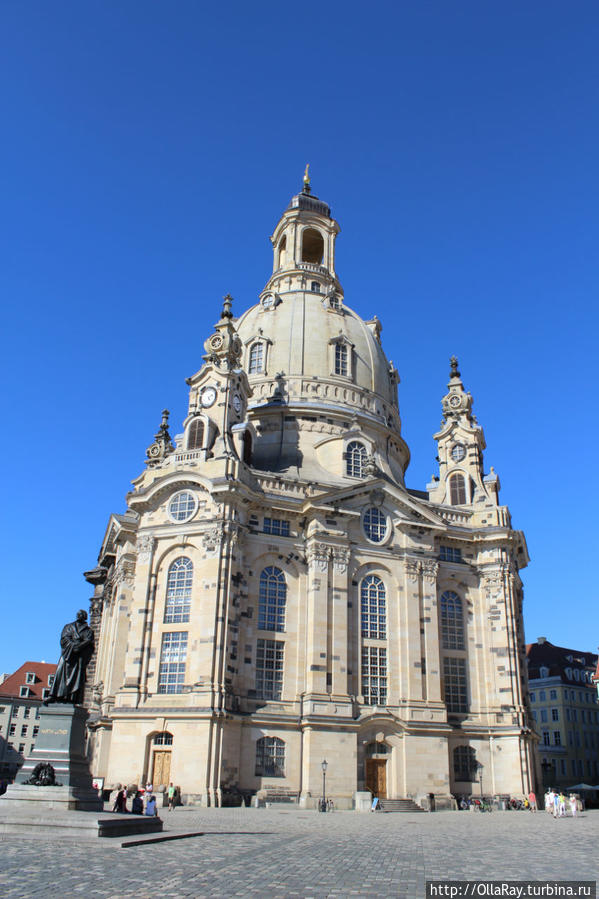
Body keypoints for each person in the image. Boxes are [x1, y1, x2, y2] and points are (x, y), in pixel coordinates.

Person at [45, 609, 95, 705]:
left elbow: (89, 643)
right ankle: (55, 695)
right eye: (78, 614)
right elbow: (64, 638)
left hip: (78, 658)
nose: (79, 616)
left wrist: (80, 647)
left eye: (81, 615)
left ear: (85, 617)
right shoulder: (69, 627)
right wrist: (73, 645)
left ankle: (72, 698)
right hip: (68, 655)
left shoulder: (89, 631)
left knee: (76, 677)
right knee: (60, 673)